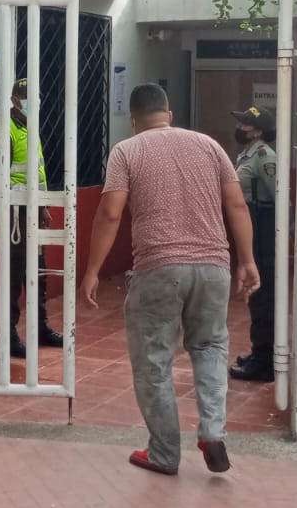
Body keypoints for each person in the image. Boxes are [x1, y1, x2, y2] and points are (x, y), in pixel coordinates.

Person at [80, 84, 258, 476]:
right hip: (214, 266)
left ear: (134, 120)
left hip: (158, 267)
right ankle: (212, 431)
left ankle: (163, 452)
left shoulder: (127, 151)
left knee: (153, 360)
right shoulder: (209, 146)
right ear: (169, 114)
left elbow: (110, 213)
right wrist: (246, 260)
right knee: (211, 346)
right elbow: (236, 204)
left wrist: (92, 269)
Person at [0, 78, 63, 358]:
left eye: (37, 97)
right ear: (15, 100)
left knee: (38, 273)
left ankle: (40, 328)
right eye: (29, 97)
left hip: (32, 212)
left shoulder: (30, 130)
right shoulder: (3, 132)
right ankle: (7, 336)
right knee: (14, 276)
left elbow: (36, 172)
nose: (36, 102)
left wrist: (42, 205)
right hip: (13, 216)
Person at [228, 106, 279, 384]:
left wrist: (283, 234)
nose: (241, 128)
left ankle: (265, 361)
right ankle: (259, 351)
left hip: (264, 225)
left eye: (245, 125)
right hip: (252, 223)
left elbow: (280, 197)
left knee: (263, 293)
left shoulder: (264, 157)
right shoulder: (248, 154)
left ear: (258, 131)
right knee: (256, 293)